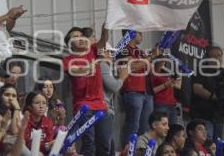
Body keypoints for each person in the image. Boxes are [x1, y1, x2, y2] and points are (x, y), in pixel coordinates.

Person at [62, 24, 110, 155]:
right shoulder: (67, 60)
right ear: (70, 44)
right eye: (76, 37)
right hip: (83, 106)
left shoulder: (93, 50)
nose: (81, 38)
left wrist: (105, 29)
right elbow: (76, 71)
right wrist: (93, 64)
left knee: (105, 143)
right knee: (89, 142)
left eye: (82, 35)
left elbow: (103, 40)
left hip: (101, 104)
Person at [119, 30, 160, 146]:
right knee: (133, 125)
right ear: (131, 33)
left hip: (146, 92)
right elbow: (132, 67)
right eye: (139, 32)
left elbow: (153, 70)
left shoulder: (140, 52)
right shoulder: (123, 49)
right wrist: (151, 57)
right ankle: (127, 152)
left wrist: (158, 56)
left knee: (145, 127)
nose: (142, 34)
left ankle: (140, 150)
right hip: (132, 91)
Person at [191, 46, 224, 140]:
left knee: (217, 143)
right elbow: (197, 89)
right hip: (203, 115)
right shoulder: (201, 70)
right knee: (207, 139)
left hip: (219, 115)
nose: (217, 58)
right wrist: (215, 97)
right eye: (213, 56)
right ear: (207, 57)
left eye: (219, 55)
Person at [99, 43, 129, 156]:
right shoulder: (103, 65)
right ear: (102, 53)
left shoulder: (103, 66)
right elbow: (114, 86)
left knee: (108, 144)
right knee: (106, 145)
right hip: (104, 108)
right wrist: (122, 77)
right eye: (110, 52)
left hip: (106, 109)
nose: (112, 56)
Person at [150, 55, 182, 124]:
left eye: (165, 61)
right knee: (161, 126)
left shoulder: (166, 73)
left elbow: (178, 86)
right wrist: (165, 85)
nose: (163, 63)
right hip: (160, 103)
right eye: (162, 61)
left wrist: (179, 70)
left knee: (173, 129)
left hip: (172, 104)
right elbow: (152, 90)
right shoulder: (152, 73)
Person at [23, 91, 54, 155]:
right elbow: (25, 144)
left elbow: (49, 141)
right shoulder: (24, 121)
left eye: (44, 103)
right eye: (37, 103)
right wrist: (46, 145)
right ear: (29, 106)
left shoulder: (48, 122)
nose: (41, 106)